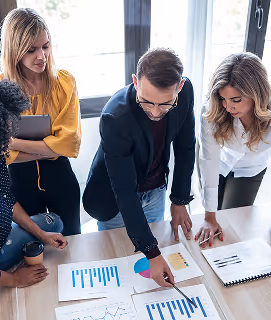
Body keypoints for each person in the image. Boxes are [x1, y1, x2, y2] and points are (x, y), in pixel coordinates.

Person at [83, 48, 196, 287]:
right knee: (119, 267)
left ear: (180, 88)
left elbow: (186, 147)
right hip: (114, 199)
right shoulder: (115, 117)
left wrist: (179, 199)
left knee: (145, 277)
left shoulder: (186, 94)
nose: (155, 112)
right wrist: (151, 252)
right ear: (135, 81)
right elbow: (124, 190)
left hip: (155, 191)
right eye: (147, 101)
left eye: (165, 104)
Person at [0, 68, 68, 287]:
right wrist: (14, 280)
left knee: (53, 223)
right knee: (53, 227)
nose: (8, 141)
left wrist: (41, 234)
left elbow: (6, 199)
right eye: (2, 136)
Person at [0, 8, 82, 236]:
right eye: (31, 50)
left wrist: (14, 144)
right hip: (18, 183)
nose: (42, 56)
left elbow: (69, 143)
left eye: (45, 46)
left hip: (60, 179)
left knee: (71, 244)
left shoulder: (64, 82)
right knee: (30, 250)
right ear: (14, 51)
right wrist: (48, 149)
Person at [196, 52, 271, 247]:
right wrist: (209, 217)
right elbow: (210, 160)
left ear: (256, 94)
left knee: (232, 225)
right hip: (216, 159)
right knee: (212, 218)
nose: (228, 106)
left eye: (236, 100)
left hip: (251, 168)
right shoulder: (212, 110)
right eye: (223, 98)